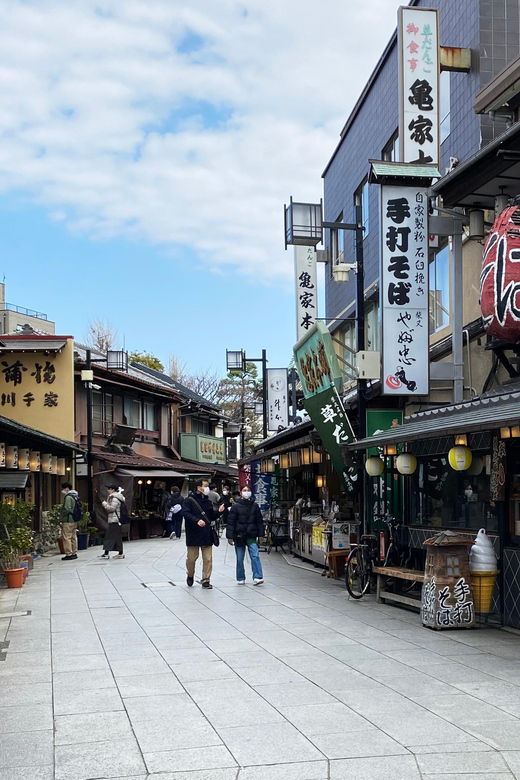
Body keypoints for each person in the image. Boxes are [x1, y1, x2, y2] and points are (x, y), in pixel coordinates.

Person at [226, 485, 265, 585]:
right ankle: (240, 577)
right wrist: (229, 536)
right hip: (239, 535)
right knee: (239, 558)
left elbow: (259, 521)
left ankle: (257, 576)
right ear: (240, 492)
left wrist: (261, 534)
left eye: (248, 490)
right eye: (244, 490)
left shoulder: (254, 506)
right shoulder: (235, 506)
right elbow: (231, 522)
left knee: (255, 555)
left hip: (251, 535)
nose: (246, 492)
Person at [182, 479, 216, 589]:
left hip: (206, 533)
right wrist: (196, 520)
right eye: (205, 486)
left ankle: (206, 579)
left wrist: (220, 511)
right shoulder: (189, 500)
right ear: (198, 488)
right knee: (191, 558)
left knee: (208, 559)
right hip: (193, 533)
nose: (207, 489)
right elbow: (185, 513)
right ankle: (190, 574)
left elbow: (211, 516)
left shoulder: (208, 501)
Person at [100, 485, 125, 559]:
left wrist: (104, 504)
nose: (108, 490)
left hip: (114, 520)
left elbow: (111, 509)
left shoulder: (114, 498)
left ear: (113, 490)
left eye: (109, 489)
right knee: (115, 537)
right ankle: (117, 553)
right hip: (116, 520)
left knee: (110, 536)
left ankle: (107, 553)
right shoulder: (118, 497)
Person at [60, 482, 80, 561]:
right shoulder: (75, 495)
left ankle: (69, 553)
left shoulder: (68, 497)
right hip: (74, 519)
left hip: (68, 519)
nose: (63, 490)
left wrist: (61, 515)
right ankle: (74, 552)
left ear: (67, 488)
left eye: (63, 488)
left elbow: (67, 508)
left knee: (67, 537)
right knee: (73, 537)